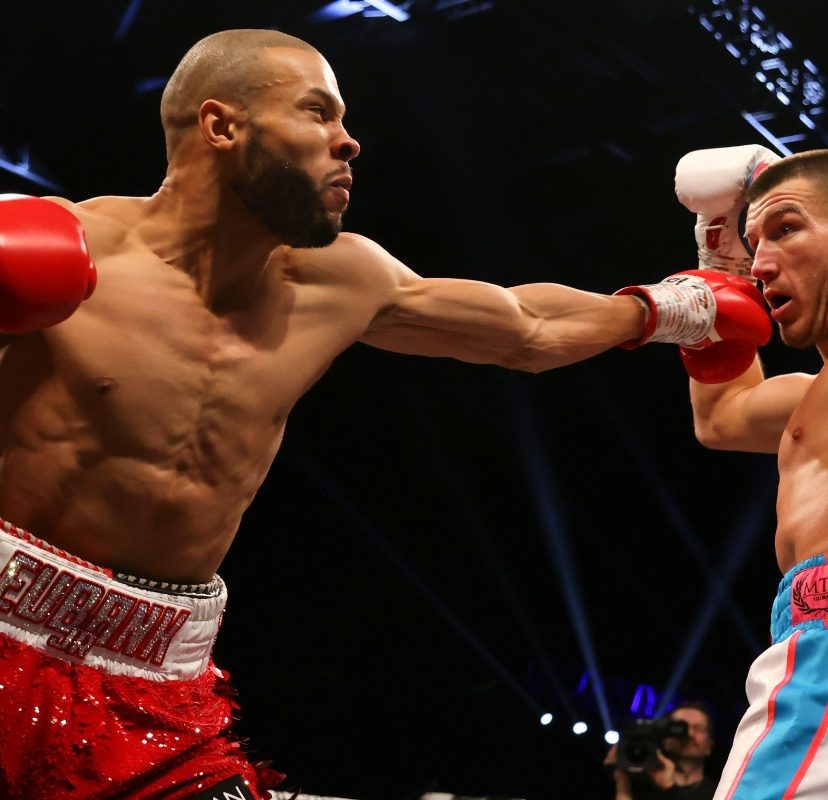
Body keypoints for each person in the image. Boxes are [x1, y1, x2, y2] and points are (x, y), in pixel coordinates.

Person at [0, 29, 770, 800]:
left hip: (157, 687)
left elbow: (526, 329)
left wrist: (681, 307)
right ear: (221, 125)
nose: (349, 142)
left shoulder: (339, 282)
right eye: (318, 113)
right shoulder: (64, 245)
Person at [656, 144, 828, 799]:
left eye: (786, 229)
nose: (759, 264)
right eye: (752, 246)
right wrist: (717, 270)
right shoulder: (809, 399)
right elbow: (722, 418)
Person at [604, 701, 717, 800]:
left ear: (710, 746)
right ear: (665, 740)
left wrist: (669, 788)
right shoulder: (638, 787)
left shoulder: (720, 793)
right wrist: (622, 780)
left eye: (698, 728)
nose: (689, 734)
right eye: (680, 727)